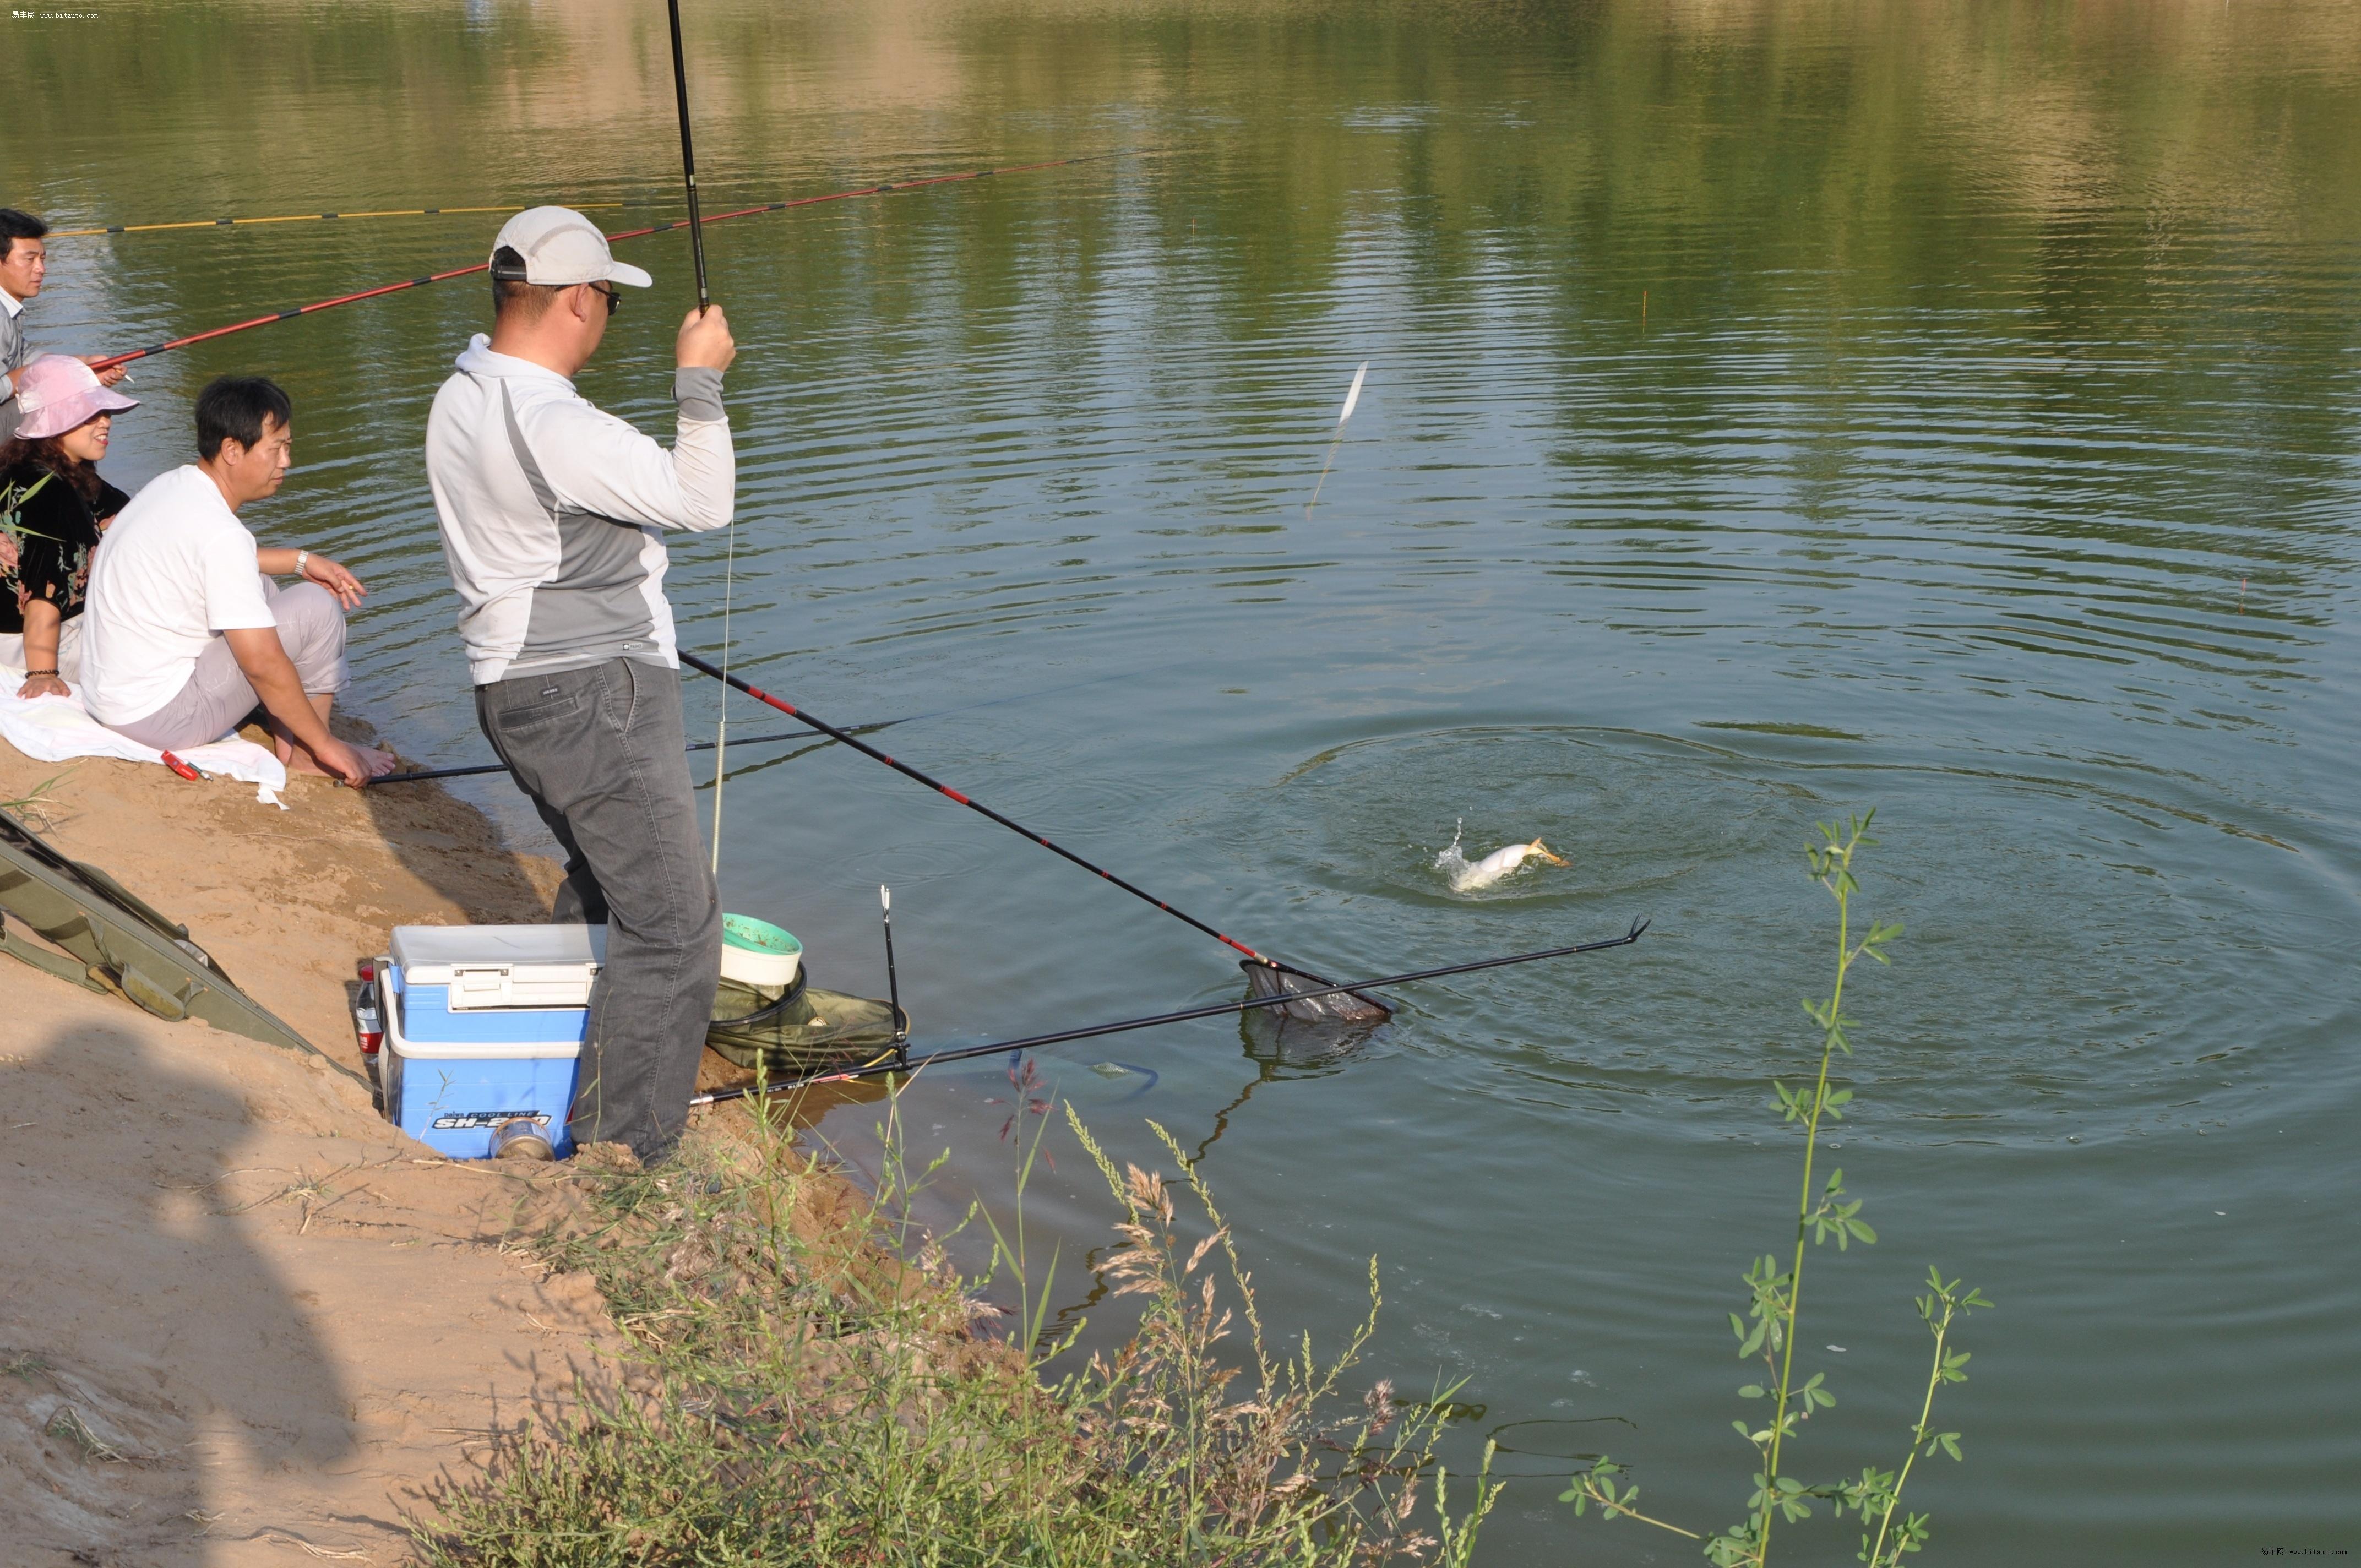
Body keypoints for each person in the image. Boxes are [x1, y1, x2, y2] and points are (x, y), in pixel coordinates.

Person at [424, 206, 737, 1165]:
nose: (607, 314)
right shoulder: (553, 418)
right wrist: (699, 384)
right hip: (594, 696)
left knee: (608, 884)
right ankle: (622, 1158)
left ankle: (548, 1078)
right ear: (571, 301)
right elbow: (703, 502)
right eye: (605, 296)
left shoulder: (460, 393)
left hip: (513, 689)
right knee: (677, 927)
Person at [80, 375, 395, 785]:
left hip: (110, 696)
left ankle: (290, 730)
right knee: (316, 610)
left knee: (262, 588)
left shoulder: (174, 485)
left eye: (289, 446)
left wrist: (301, 562)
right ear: (232, 450)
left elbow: (203, 560)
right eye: (276, 448)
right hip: (159, 718)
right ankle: (307, 751)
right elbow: (261, 662)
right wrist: (326, 745)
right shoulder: (221, 534)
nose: (286, 461)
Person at [1, 356, 137, 694]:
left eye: (105, 413)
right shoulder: (50, 491)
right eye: (91, 414)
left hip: (51, 630)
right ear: (58, 421)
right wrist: (43, 673)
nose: (106, 422)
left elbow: (138, 521)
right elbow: (42, 588)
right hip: (30, 643)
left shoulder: (57, 469)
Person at [1, 208, 129, 447]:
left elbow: (23, 355)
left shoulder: (8, 309)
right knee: (59, 395)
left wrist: (84, 364)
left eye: (43, 259)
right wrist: (27, 377)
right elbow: (17, 374)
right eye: (30, 259)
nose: (41, 269)